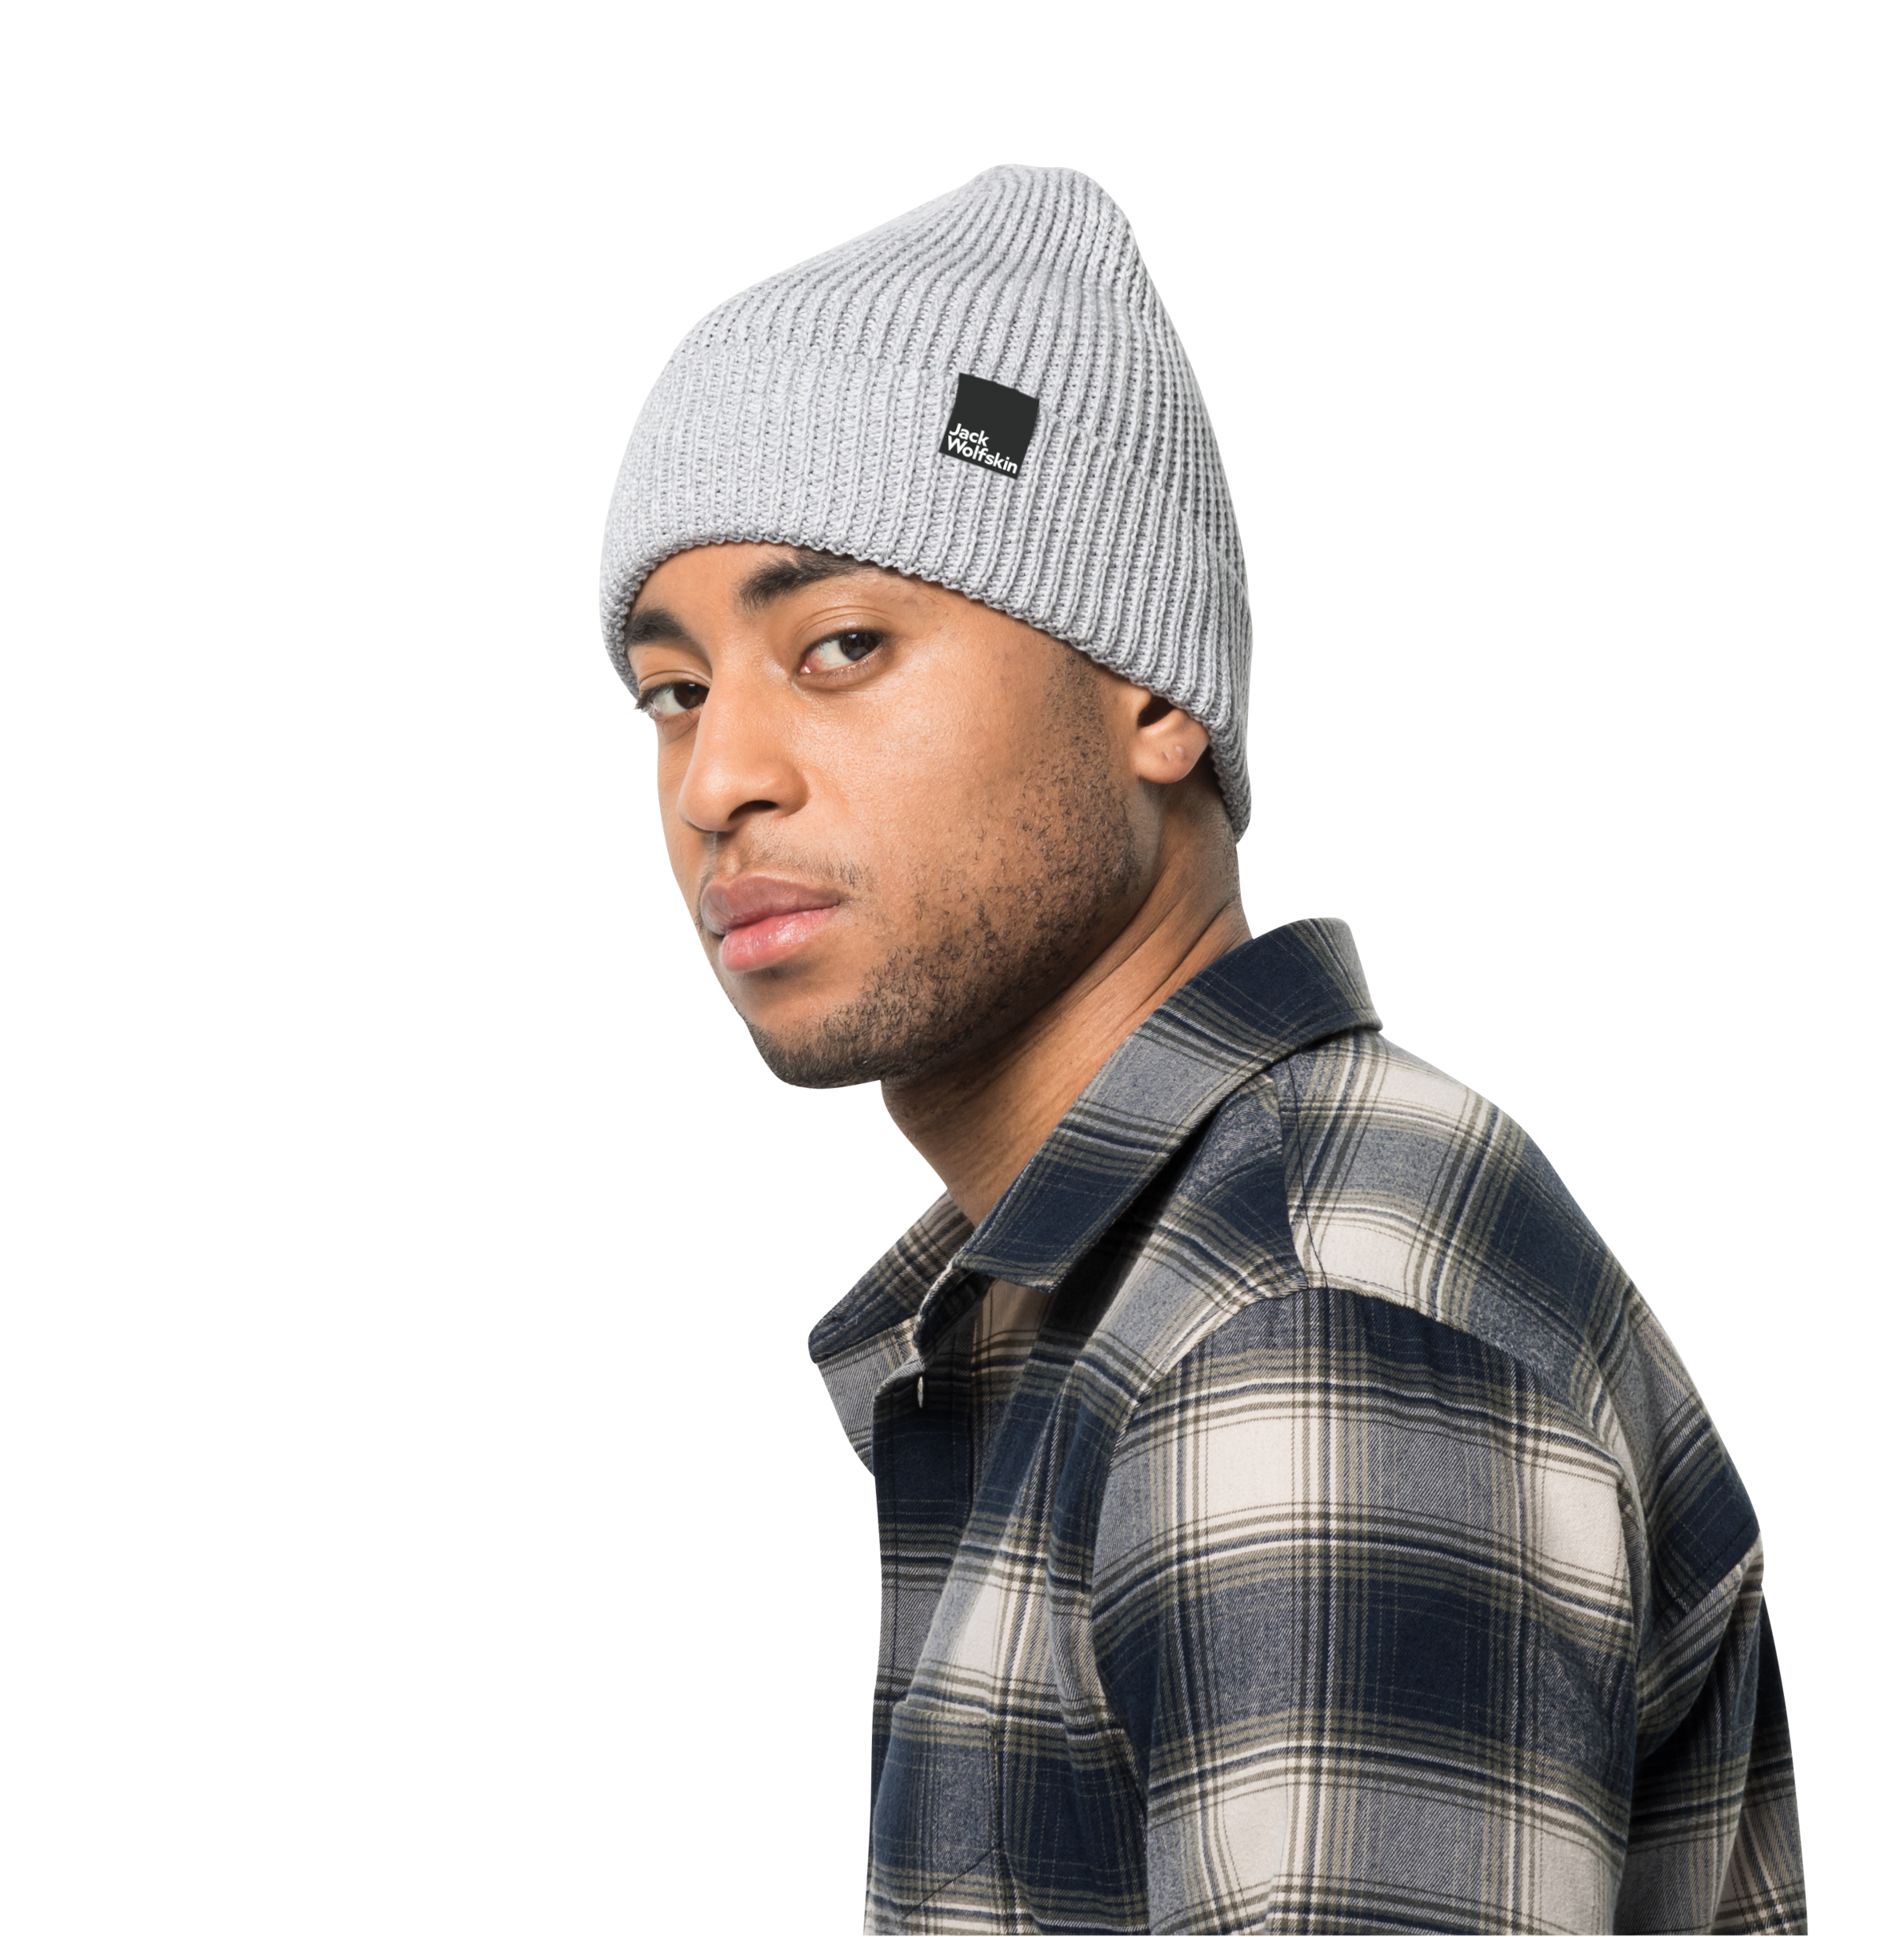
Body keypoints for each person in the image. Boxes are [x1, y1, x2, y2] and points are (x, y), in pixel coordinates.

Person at [596, 165, 1806, 1934]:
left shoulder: (1296, 1322)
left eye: (842, 645)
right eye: (674, 692)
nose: (718, 781)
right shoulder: (1124, 1293)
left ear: (1154, 691)